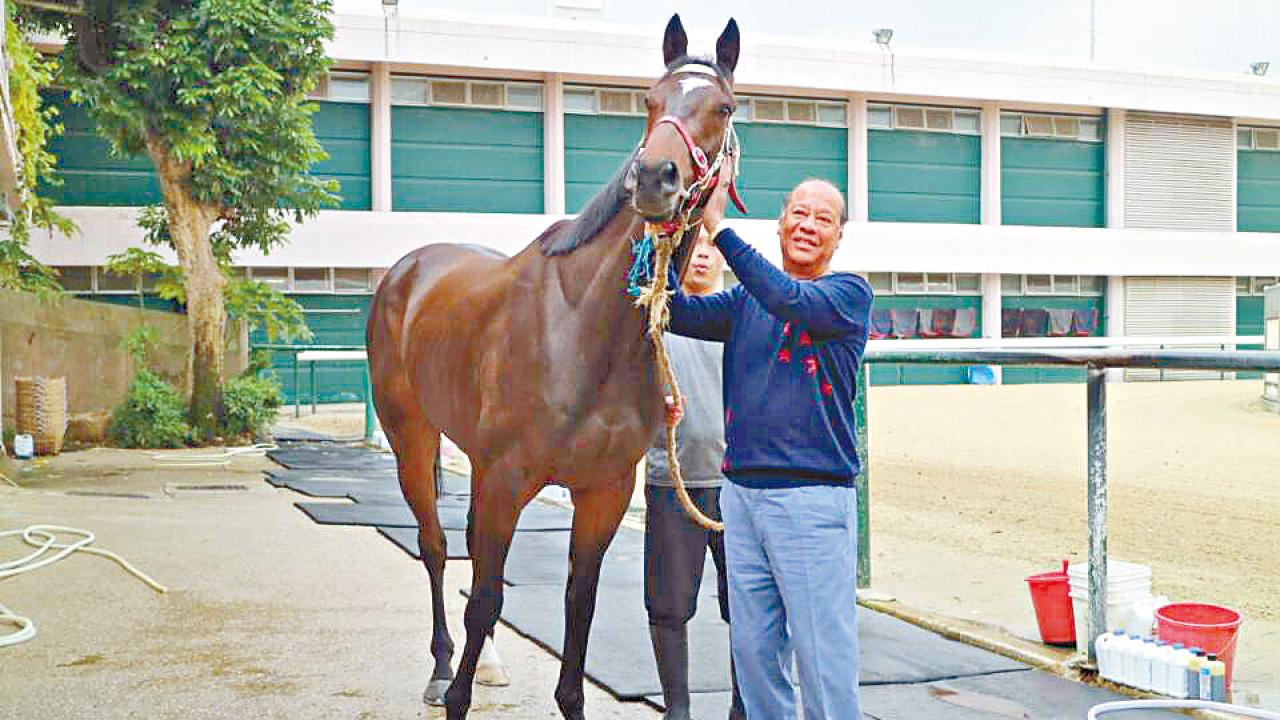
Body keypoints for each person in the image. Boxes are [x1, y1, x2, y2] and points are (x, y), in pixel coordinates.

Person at [666, 167, 873, 720]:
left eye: (823, 219)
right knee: (754, 654)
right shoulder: (742, 303)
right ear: (780, 224)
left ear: (838, 237)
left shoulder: (847, 294)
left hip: (810, 500)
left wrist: (721, 230)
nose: (808, 225)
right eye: (798, 214)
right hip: (742, 498)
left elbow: (788, 299)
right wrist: (668, 233)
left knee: (822, 659)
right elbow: (674, 310)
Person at [646, 229, 745, 720]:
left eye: (711, 245)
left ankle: (743, 707)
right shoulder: (654, 322)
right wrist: (651, 410)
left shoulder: (742, 316)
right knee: (667, 606)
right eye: (694, 245)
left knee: (747, 607)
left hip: (739, 488)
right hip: (673, 482)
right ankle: (676, 709)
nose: (702, 254)